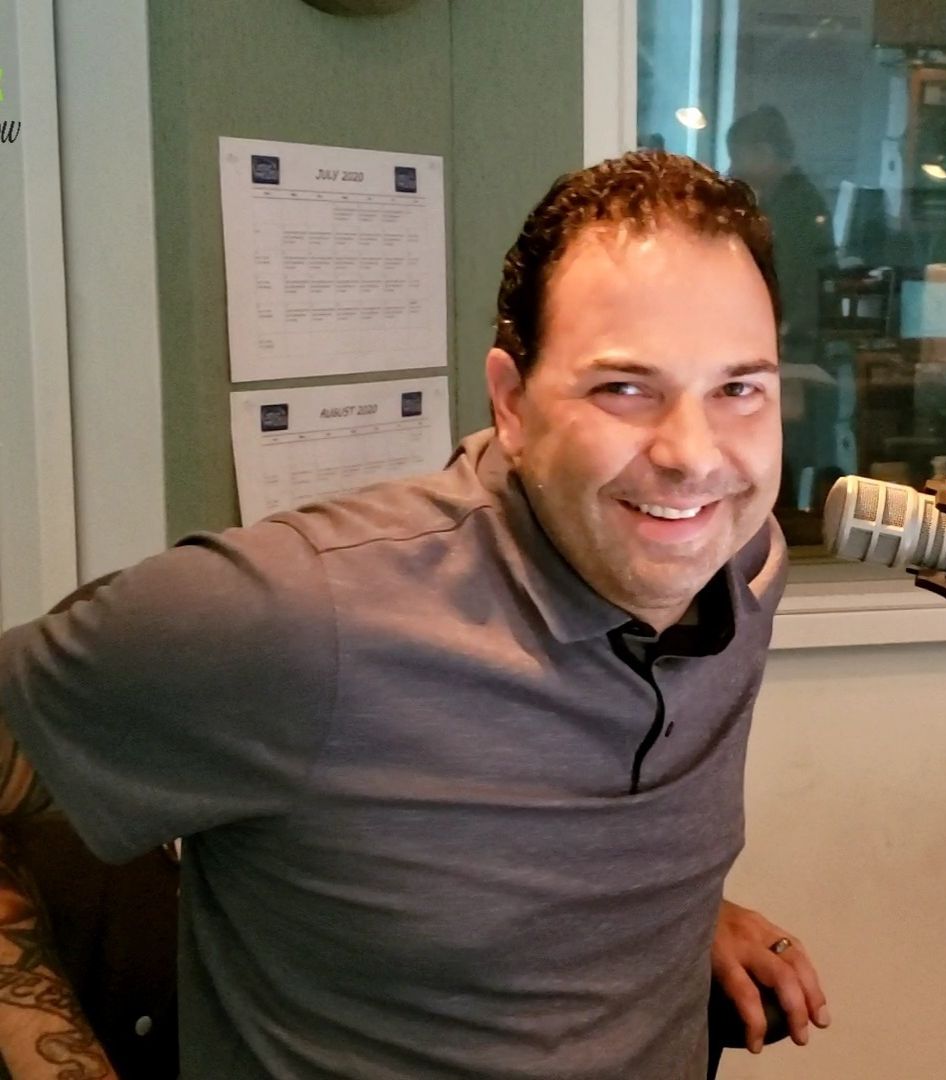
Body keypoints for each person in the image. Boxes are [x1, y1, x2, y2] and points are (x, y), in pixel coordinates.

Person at [0, 150, 828, 1079]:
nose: (694, 457)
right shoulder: (298, 619)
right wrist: (55, 1058)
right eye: (624, 388)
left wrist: (682, 910)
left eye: (737, 389)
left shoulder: (736, 563)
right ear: (513, 405)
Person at [726, 105, 836, 366]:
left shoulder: (794, 207)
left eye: (737, 157)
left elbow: (788, 281)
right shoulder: (785, 198)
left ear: (763, 153)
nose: (732, 169)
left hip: (791, 346)